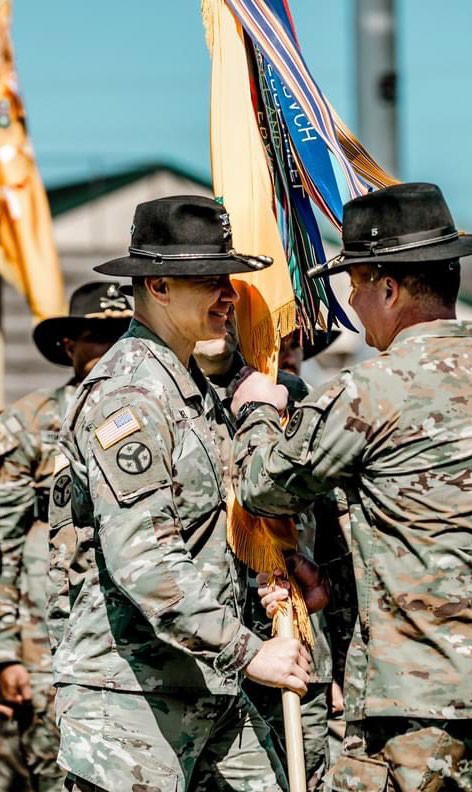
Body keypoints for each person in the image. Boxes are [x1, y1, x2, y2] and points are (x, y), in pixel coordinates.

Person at [232, 182, 472, 790]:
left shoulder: (372, 390)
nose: (353, 303)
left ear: (388, 289)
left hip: (422, 702)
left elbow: (265, 487)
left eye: (356, 286)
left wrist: (261, 408)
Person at [51, 195, 311, 791]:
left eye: (228, 278)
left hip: (207, 687)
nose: (228, 295)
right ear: (160, 286)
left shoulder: (194, 388)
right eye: (209, 280)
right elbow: (145, 563)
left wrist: (281, 568)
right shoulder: (131, 399)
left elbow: (207, 531)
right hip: (130, 703)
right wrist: (249, 652)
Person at [193, 312, 335, 788]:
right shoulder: (181, 400)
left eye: (293, 341)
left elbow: (335, 537)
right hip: (210, 655)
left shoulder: (300, 404)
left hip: (296, 643)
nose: (286, 349)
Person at [0, 283, 131, 791]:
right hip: (49, 642)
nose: (110, 348)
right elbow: (3, 542)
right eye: (97, 335)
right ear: (68, 346)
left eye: (122, 333)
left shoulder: (159, 409)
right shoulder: (31, 423)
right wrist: (6, 651)